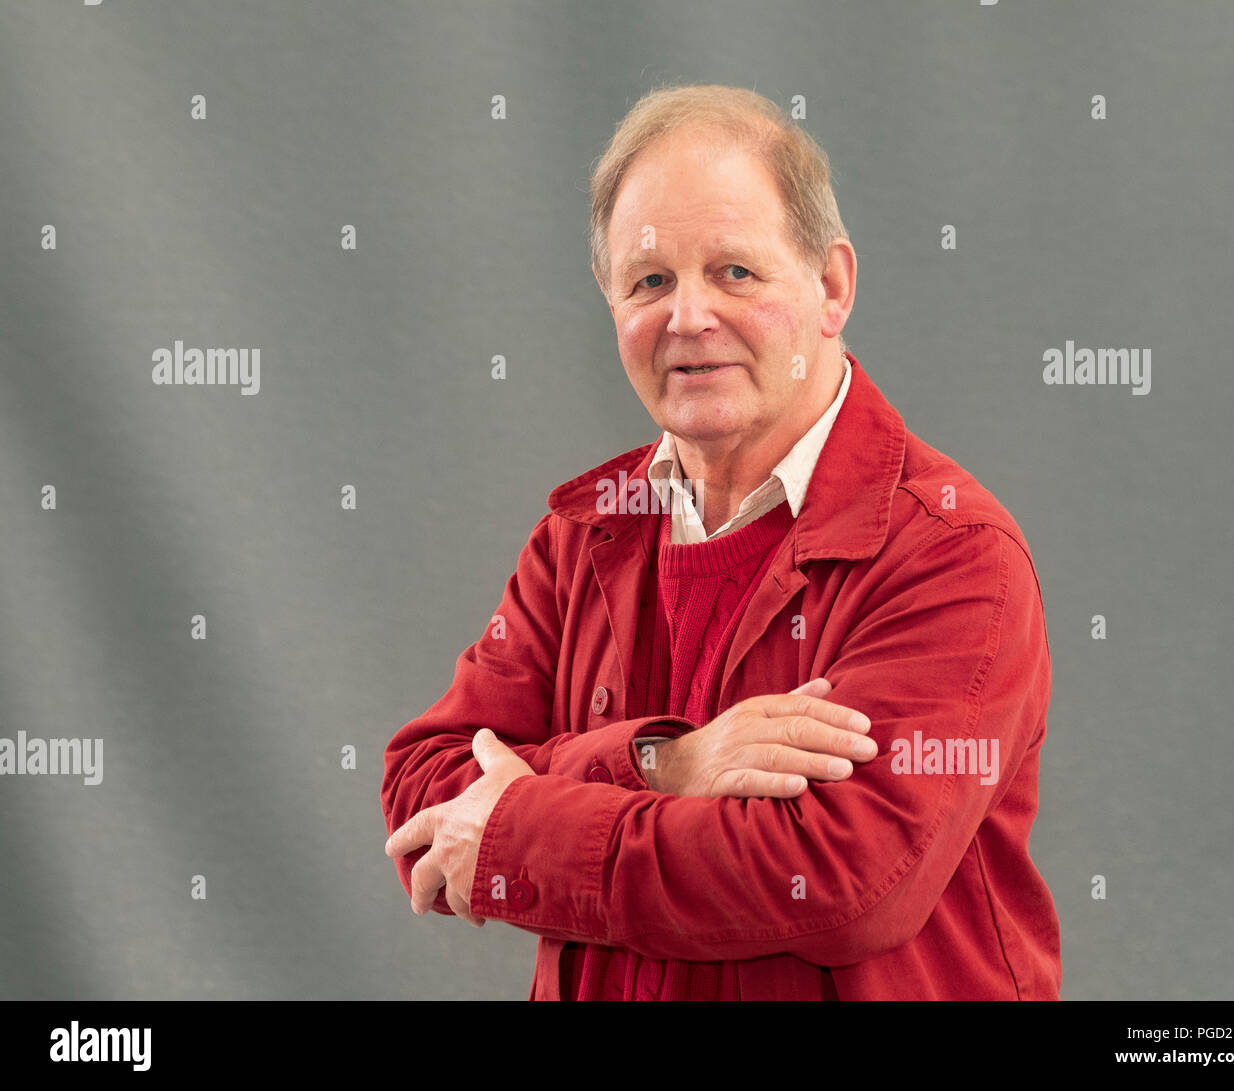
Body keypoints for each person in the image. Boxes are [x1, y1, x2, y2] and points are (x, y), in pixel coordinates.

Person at [382, 84, 1061, 1000]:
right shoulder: (583, 535)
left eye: (734, 271)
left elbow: (838, 883)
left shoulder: (952, 556)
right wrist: (668, 763)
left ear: (831, 286)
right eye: (650, 281)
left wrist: (518, 826)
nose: (688, 317)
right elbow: (425, 793)